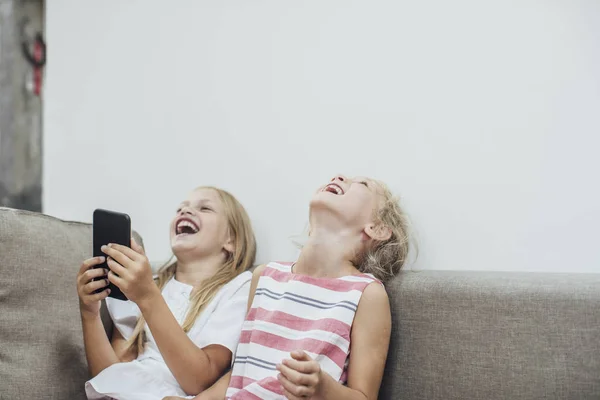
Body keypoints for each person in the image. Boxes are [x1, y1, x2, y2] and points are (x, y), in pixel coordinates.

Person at [168, 174, 411, 400]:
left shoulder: (366, 294)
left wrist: (322, 388)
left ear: (377, 228)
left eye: (362, 184)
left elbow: (364, 396)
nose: (339, 177)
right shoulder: (265, 277)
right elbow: (240, 373)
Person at [76, 186, 257, 400]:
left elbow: (198, 380)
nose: (185, 211)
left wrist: (148, 297)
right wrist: (89, 313)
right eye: (181, 208)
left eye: (205, 208)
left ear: (232, 240)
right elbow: (111, 378)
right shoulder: (146, 284)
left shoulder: (237, 289)